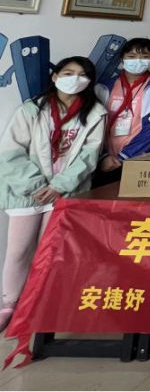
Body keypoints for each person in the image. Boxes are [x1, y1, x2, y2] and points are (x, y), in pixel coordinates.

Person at [0, 57, 106, 332]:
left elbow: (89, 155)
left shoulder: (95, 113)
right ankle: (9, 304)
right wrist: (36, 186)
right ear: (55, 76)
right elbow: (10, 152)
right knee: (18, 250)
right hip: (28, 193)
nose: (75, 79)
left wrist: (60, 185)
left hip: (65, 191)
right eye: (68, 73)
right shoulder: (32, 110)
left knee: (50, 251)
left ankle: (38, 302)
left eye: (83, 75)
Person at [93, 38, 150, 187]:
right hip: (105, 158)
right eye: (132, 56)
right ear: (122, 58)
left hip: (141, 156)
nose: (138, 61)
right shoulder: (103, 87)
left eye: (145, 57)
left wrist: (124, 156)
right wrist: (103, 156)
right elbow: (94, 125)